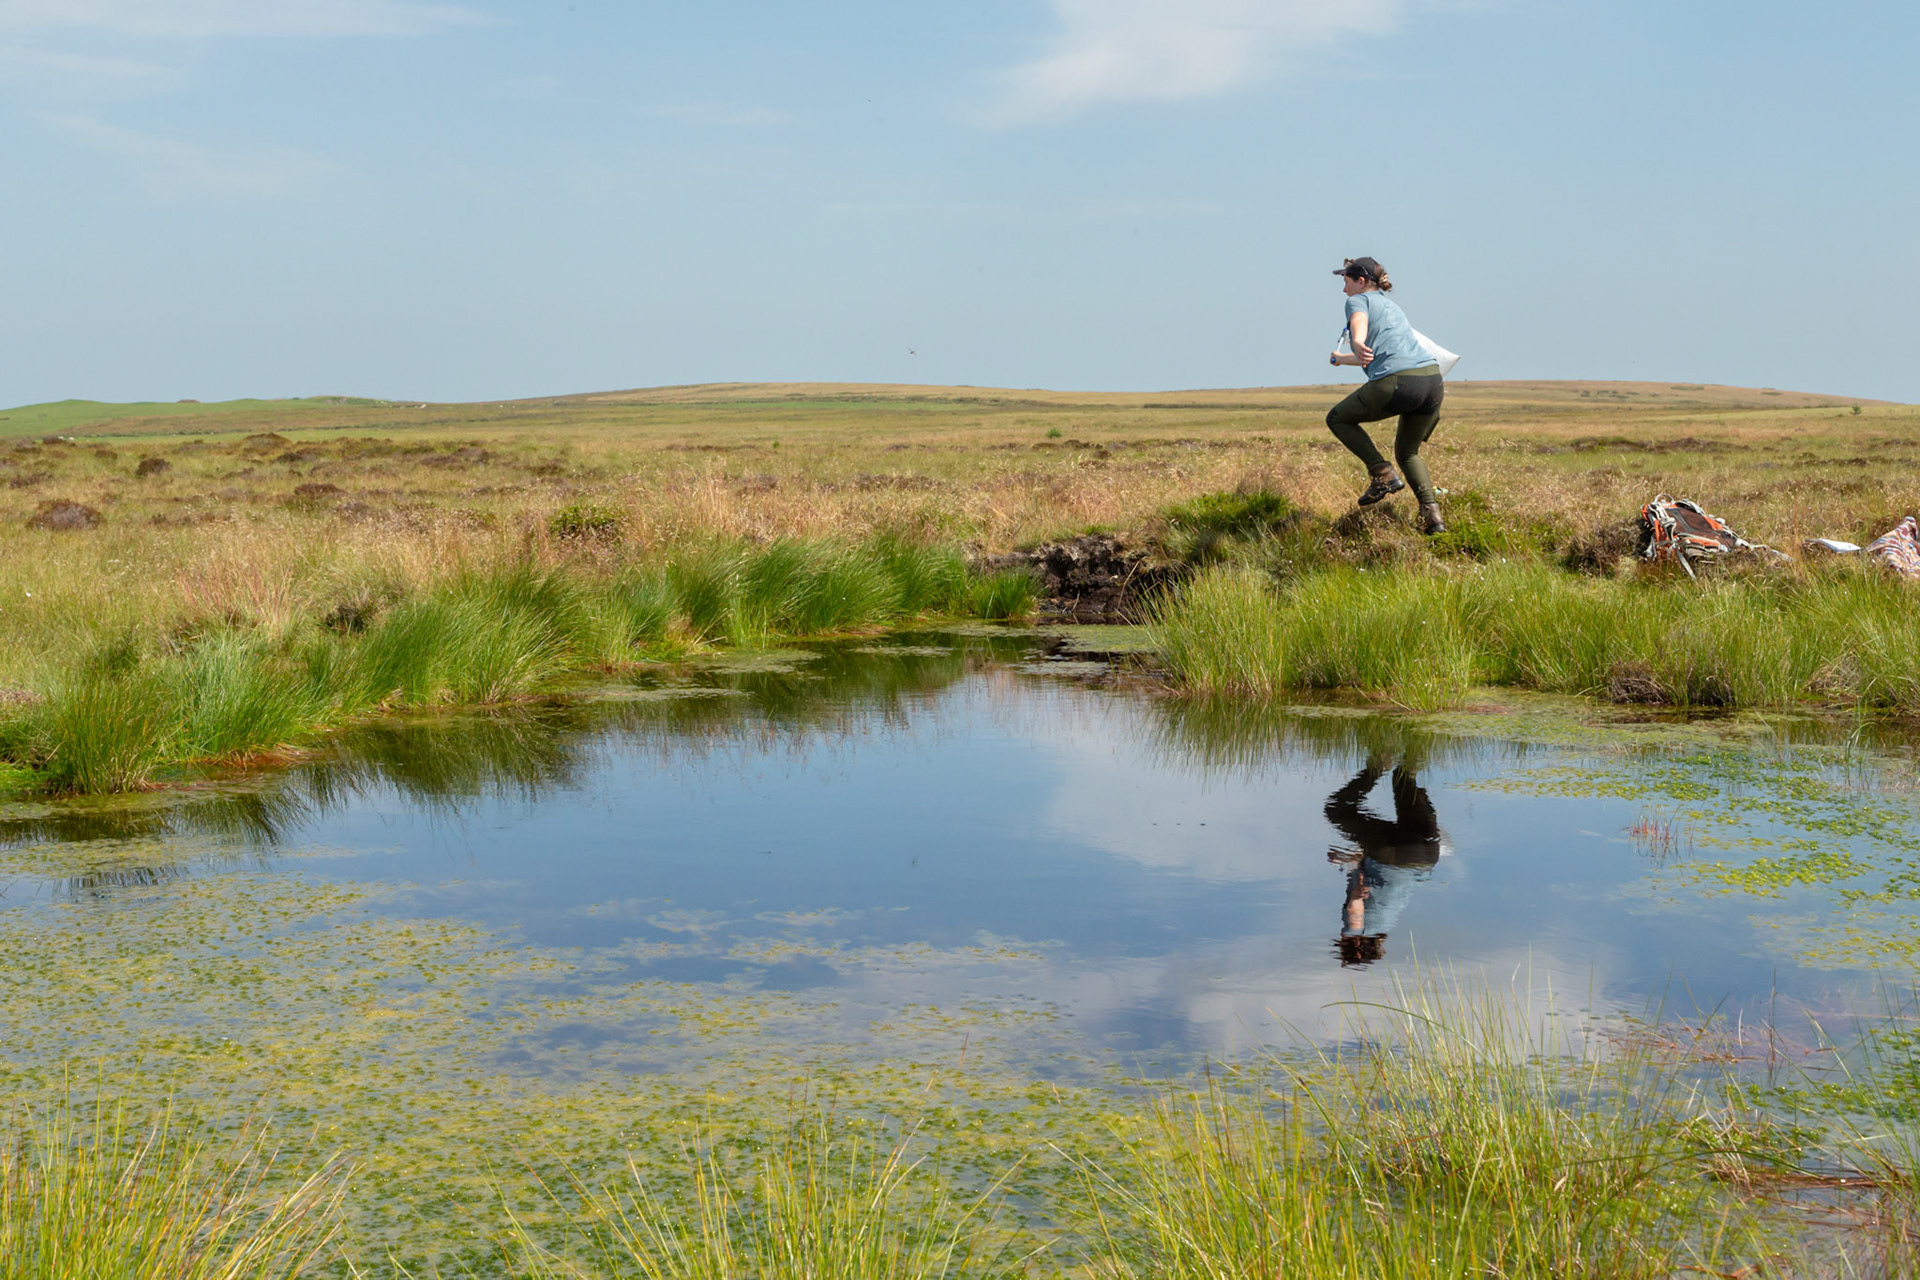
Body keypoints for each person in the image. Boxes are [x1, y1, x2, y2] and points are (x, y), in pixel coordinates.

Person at [1326, 256, 1447, 535]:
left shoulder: (1358, 301)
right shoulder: (1392, 307)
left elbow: (1358, 321)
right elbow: (1384, 354)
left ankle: (1381, 474)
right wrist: (1344, 359)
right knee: (1408, 453)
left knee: (1337, 419)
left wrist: (1356, 339)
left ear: (1361, 281)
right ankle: (1432, 518)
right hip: (1431, 382)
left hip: (1399, 381)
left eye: (1346, 282)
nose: (1344, 290)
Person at [1323, 752, 1445, 966]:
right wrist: (1355, 898)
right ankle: (1378, 765)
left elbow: (1380, 877)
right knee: (1337, 810)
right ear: (1357, 948)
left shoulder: (1386, 923)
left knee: (1404, 780)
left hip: (1426, 855)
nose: (1341, 939)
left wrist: (1346, 860)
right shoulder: (1356, 930)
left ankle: (1421, 743)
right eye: (1343, 945)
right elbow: (1355, 911)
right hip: (1391, 855)